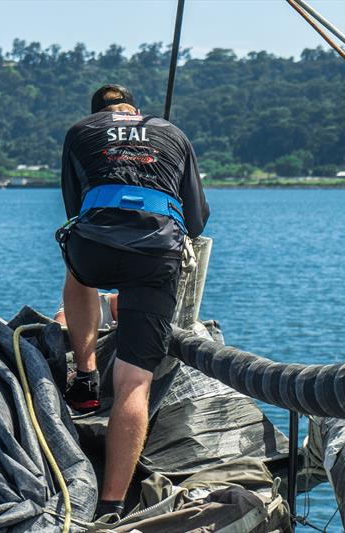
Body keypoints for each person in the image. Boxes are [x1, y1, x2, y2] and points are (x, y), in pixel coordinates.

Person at [57, 83, 209, 517]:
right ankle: (111, 506)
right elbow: (196, 220)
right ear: (135, 110)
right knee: (133, 383)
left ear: (96, 114)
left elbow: (76, 207)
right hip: (156, 253)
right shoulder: (172, 133)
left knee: (77, 255)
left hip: (96, 247)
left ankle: (84, 376)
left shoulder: (80, 132)